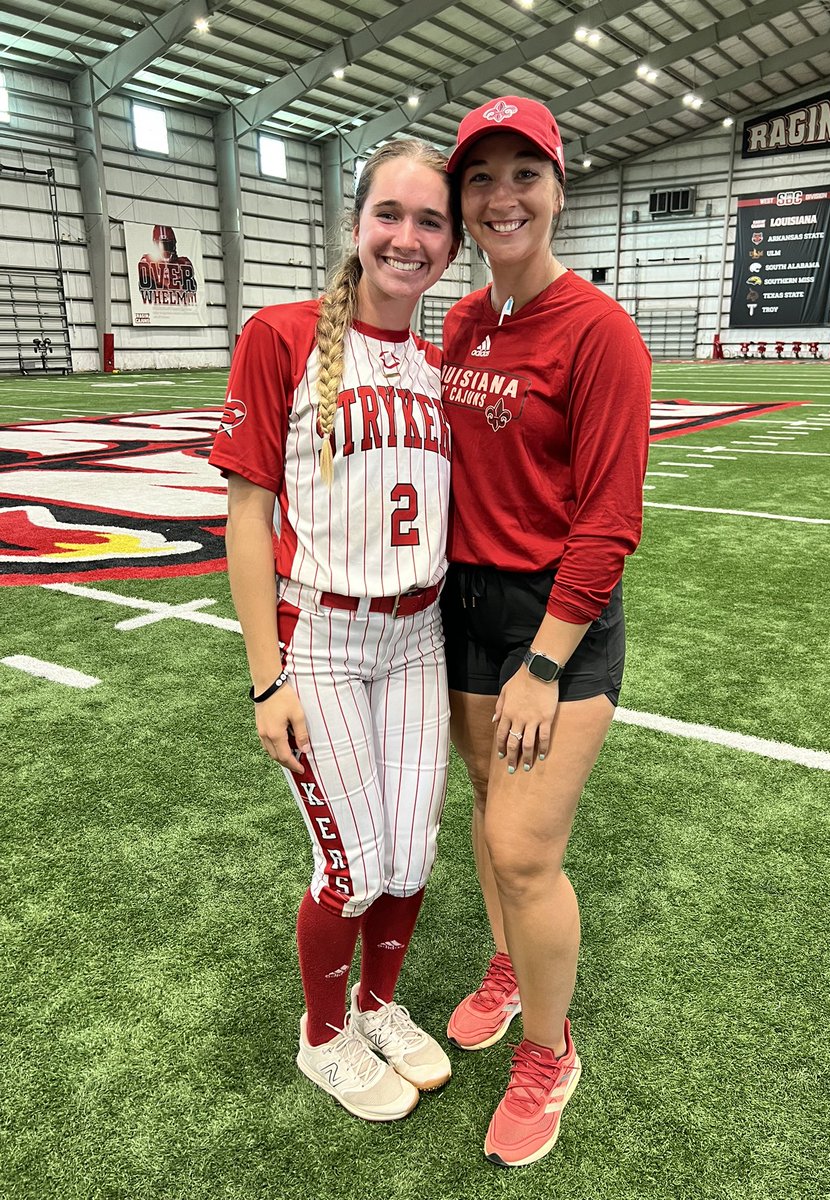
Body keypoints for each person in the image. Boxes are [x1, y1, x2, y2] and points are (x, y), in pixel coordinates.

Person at [209, 139, 462, 1123]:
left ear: (451, 245)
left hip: (418, 637)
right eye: (389, 215)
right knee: (350, 865)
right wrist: (267, 680)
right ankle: (322, 1037)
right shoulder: (280, 336)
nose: (407, 238)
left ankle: (378, 1005)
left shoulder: (436, 364)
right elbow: (245, 515)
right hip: (321, 636)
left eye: (429, 222)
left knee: (410, 856)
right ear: (356, 224)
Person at [439, 96, 651, 1167]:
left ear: (560, 189)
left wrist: (540, 665)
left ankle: (549, 1053)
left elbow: (610, 522)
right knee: (485, 810)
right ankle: (508, 966)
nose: (502, 196)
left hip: (552, 624)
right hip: (464, 609)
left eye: (524, 173)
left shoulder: (601, 332)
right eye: (482, 179)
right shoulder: (465, 324)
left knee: (526, 849)